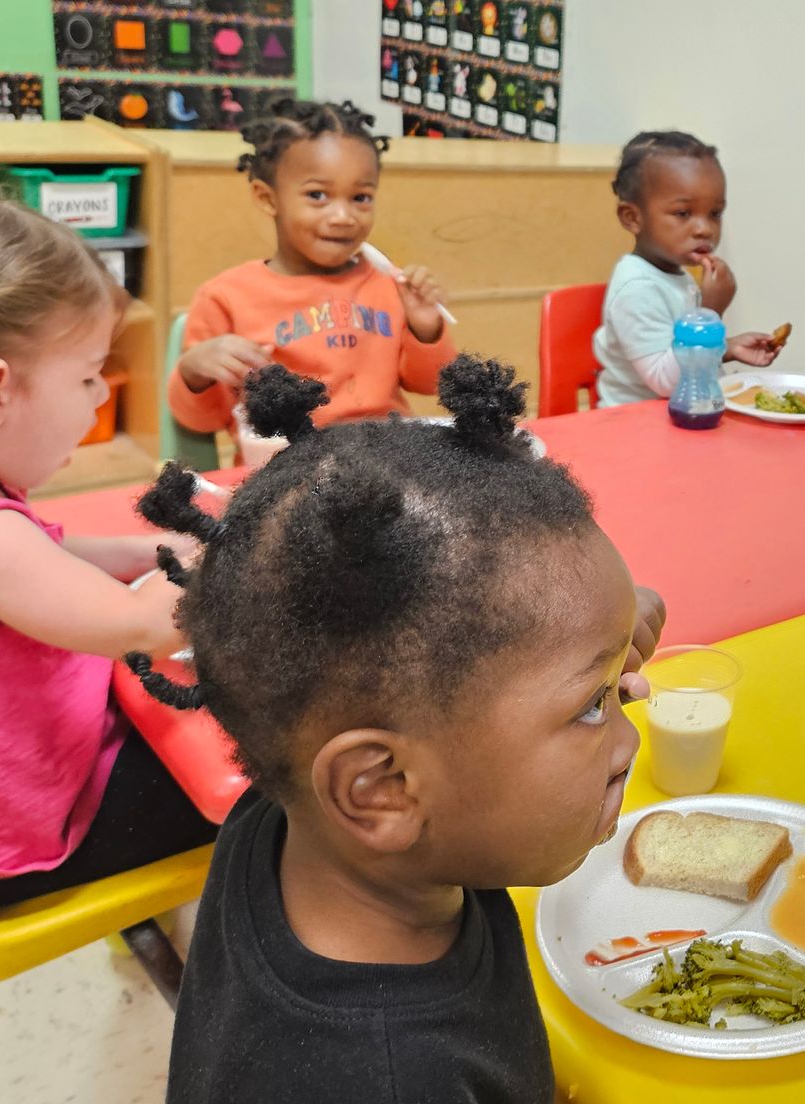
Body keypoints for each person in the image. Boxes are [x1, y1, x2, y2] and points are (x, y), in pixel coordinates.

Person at [139, 357, 665, 1104]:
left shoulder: (295, 811)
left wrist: (601, 644)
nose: (628, 739)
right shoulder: (388, 1079)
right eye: (595, 707)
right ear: (380, 788)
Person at [0, 185, 212, 905]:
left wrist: (149, 552)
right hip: (6, 846)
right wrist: (234, 535)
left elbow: (49, 554)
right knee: (268, 786)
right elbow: (144, 626)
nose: (95, 397)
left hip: (18, 778)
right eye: (87, 376)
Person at [167, 99, 456, 438]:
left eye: (360, 198)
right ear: (267, 198)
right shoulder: (224, 298)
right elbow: (200, 423)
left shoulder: (386, 283)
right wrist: (193, 372)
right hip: (285, 469)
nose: (343, 217)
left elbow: (433, 384)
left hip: (386, 456)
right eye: (318, 195)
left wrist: (426, 328)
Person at [592, 131, 783, 406]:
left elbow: (676, 353)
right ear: (632, 218)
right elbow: (666, 383)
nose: (705, 228)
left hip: (680, 417)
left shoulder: (674, 275)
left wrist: (727, 348)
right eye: (683, 213)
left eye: (715, 213)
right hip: (635, 426)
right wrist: (709, 314)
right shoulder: (637, 288)